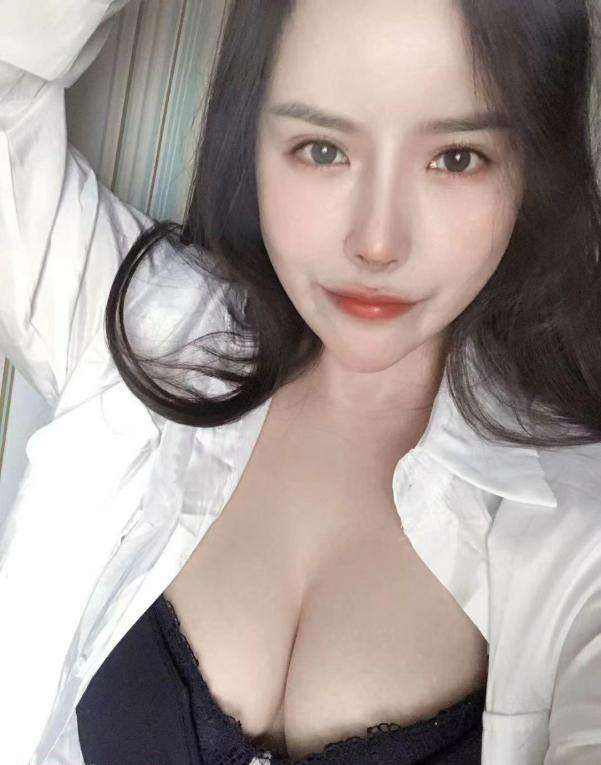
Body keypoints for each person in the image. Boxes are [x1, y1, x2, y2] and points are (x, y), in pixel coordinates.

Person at [1, 0, 601, 763]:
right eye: (321, 150)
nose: (377, 241)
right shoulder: (144, 329)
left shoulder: (579, 533)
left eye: (455, 158)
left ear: (530, 167)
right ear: (249, 139)